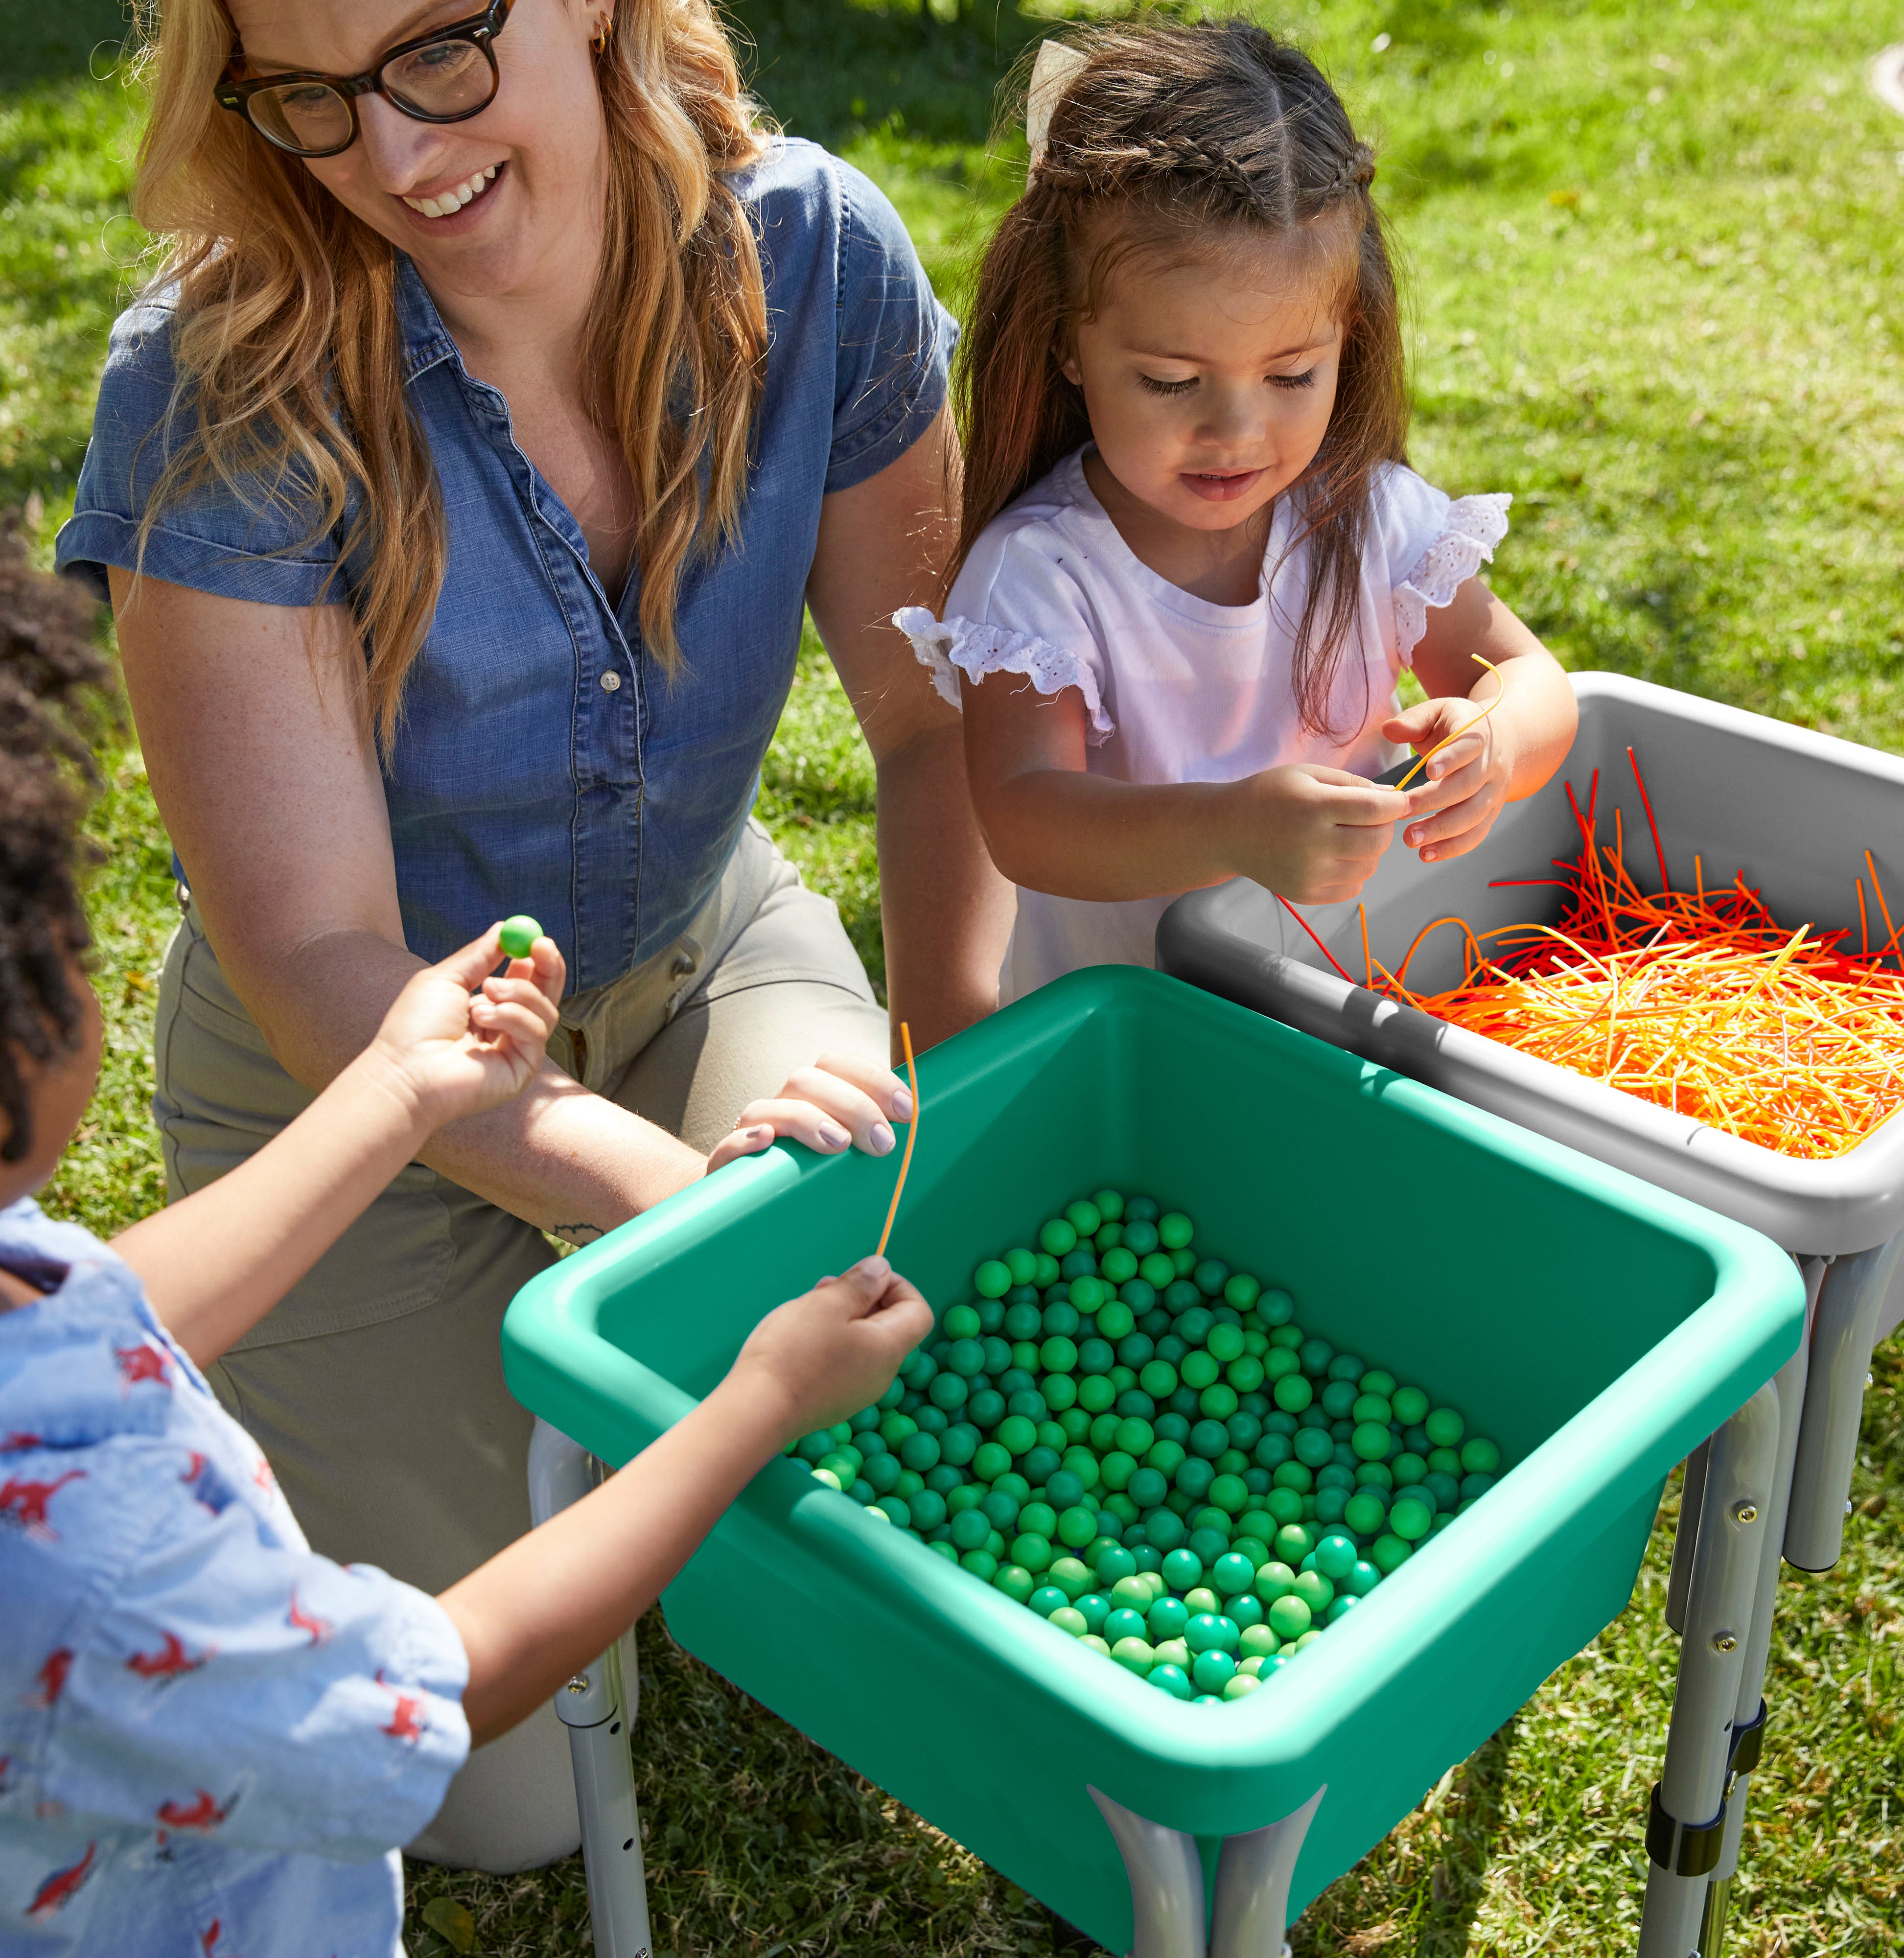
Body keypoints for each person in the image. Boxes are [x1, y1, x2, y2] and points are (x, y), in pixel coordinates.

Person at [54, 0, 1010, 1865]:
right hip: (348, 1085)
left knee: (895, 1388)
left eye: (438, 52)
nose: (396, 156)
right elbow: (320, 960)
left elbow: (931, 724)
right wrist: (681, 1202)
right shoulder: (215, 380)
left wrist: (960, 1083)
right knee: (502, 1804)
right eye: (309, 98)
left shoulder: (817, 254)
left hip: (693, 955)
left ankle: (632, 1430)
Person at [0, 526, 934, 1954]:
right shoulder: (100, 1563)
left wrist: (391, 1088)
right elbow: (437, 1681)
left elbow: (104, 1310)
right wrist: (756, 1403)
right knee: (514, 1796)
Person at [897, 21, 1578, 1003]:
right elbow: (1026, 819)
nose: (1236, 431)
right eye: (1171, 381)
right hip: (1139, 1037)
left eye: (1291, 374)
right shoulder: (1042, 573)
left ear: (1347, 338)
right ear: (1068, 345)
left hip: (1349, 1006)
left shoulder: (1367, 518)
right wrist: (1229, 828)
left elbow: (1532, 679)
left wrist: (1493, 740)